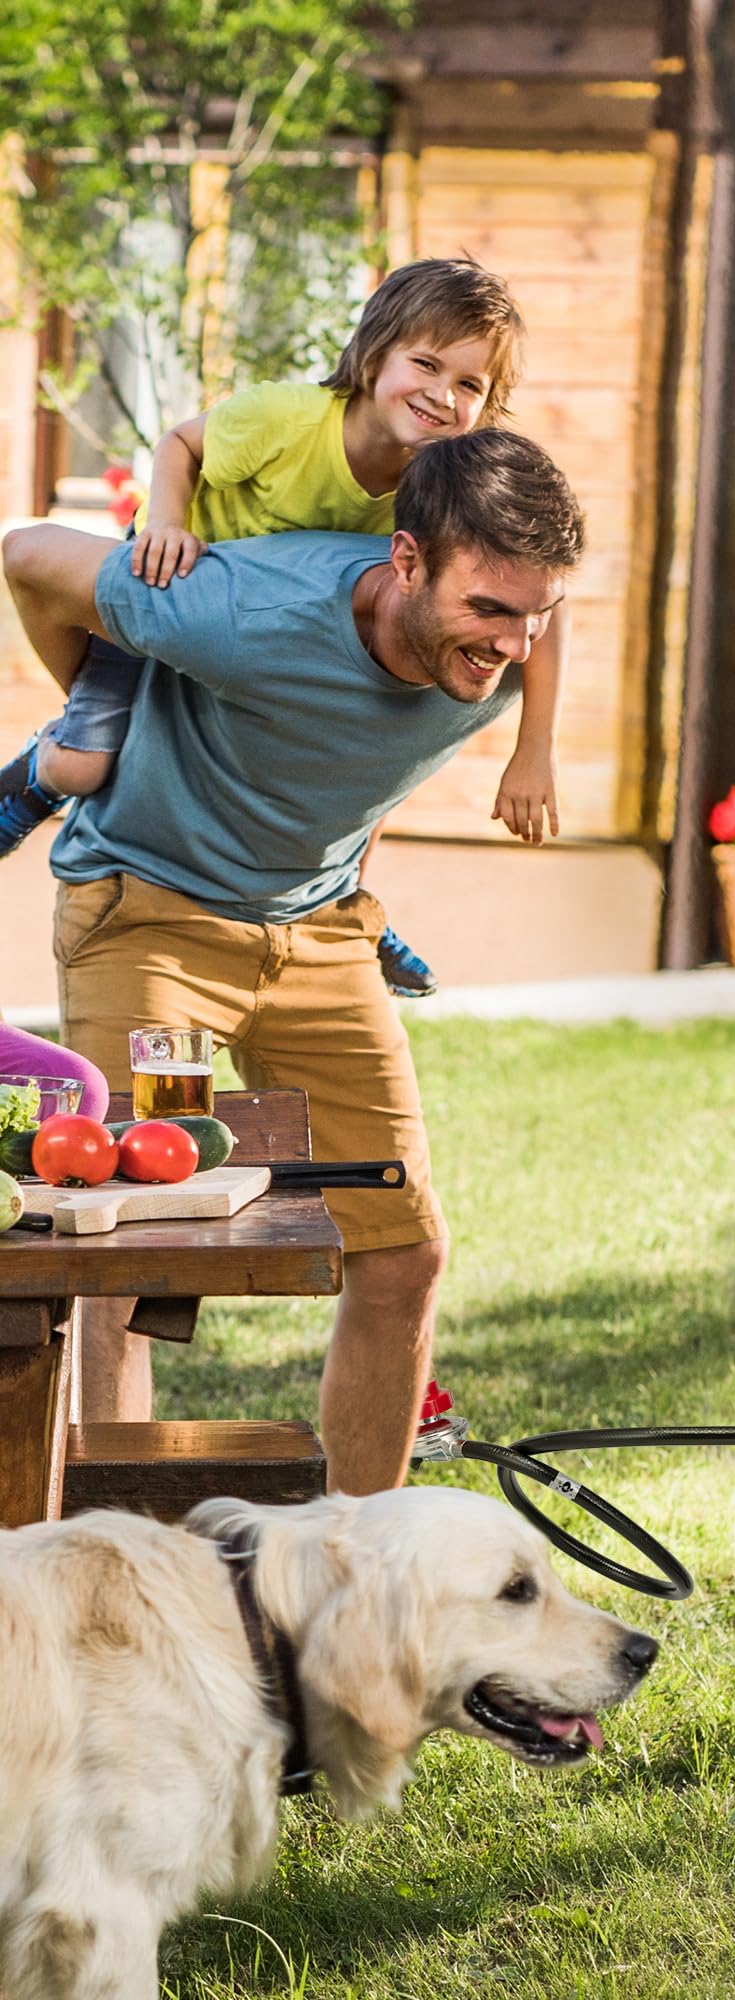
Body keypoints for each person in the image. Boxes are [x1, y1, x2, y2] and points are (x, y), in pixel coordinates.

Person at [1, 427, 584, 1494]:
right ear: (406, 561)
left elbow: (533, 619)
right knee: (122, 1251)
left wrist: (534, 741)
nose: (510, 643)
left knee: (402, 1249)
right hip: (151, 915)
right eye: (488, 611)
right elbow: (31, 555)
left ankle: (357, 1557)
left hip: (319, 931)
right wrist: (97, 711)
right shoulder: (239, 608)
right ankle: (93, 1561)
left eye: (532, 615)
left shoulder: (508, 638)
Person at [0, 257, 569, 998]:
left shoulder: (434, 491)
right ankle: (35, 775)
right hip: (183, 595)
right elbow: (180, 444)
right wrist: (165, 528)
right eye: (425, 364)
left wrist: (534, 751)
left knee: (368, 779)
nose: (441, 395)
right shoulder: (287, 420)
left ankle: (347, 909)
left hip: (283, 650)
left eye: (469, 385)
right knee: (88, 764)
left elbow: (542, 592)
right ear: (371, 357)